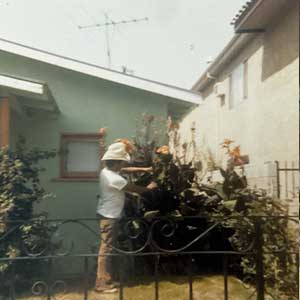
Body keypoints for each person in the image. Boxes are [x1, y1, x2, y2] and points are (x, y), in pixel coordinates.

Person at [95, 140, 156, 293]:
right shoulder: (114, 179)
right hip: (110, 216)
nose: (123, 165)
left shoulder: (107, 171)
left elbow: (126, 169)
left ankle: (106, 278)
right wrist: (149, 187)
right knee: (106, 249)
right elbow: (135, 189)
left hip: (106, 213)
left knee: (108, 248)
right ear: (116, 163)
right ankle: (100, 284)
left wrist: (146, 169)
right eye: (122, 162)